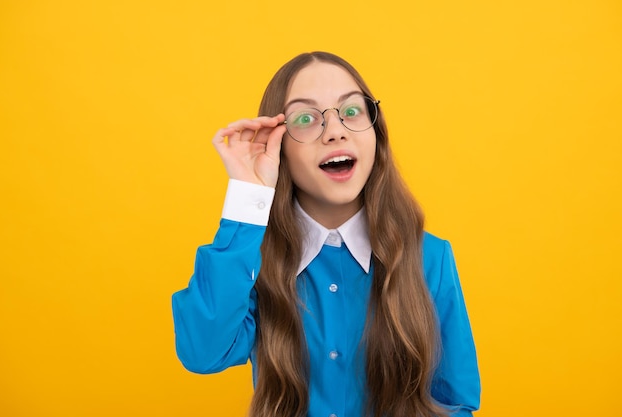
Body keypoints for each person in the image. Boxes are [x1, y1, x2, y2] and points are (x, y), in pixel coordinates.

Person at [172, 51, 480, 417]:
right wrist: (247, 197)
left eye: (351, 112)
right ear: (278, 148)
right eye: (306, 118)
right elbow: (203, 351)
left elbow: (456, 402)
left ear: (375, 135)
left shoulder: (430, 258)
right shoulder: (254, 261)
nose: (335, 130)